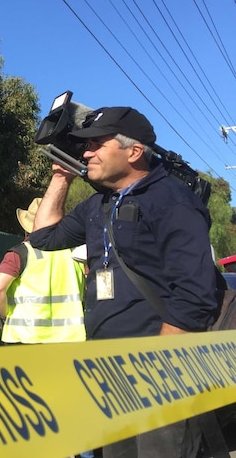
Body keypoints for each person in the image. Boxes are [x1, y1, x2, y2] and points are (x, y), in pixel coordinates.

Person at [28, 106, 221, 458]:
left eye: (97, 144)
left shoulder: (173, 202)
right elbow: (43, 237)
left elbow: (194, 296)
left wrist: (159, 372)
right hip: (110, 372)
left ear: (134, 152)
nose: (86, 153)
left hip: (160, 376)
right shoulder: (97, 205)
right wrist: (60, 178)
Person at [0, 197, 86, 344]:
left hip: (26, 338)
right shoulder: (77, 253)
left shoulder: (19, 253)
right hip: (70, 339)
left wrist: (5, 314)